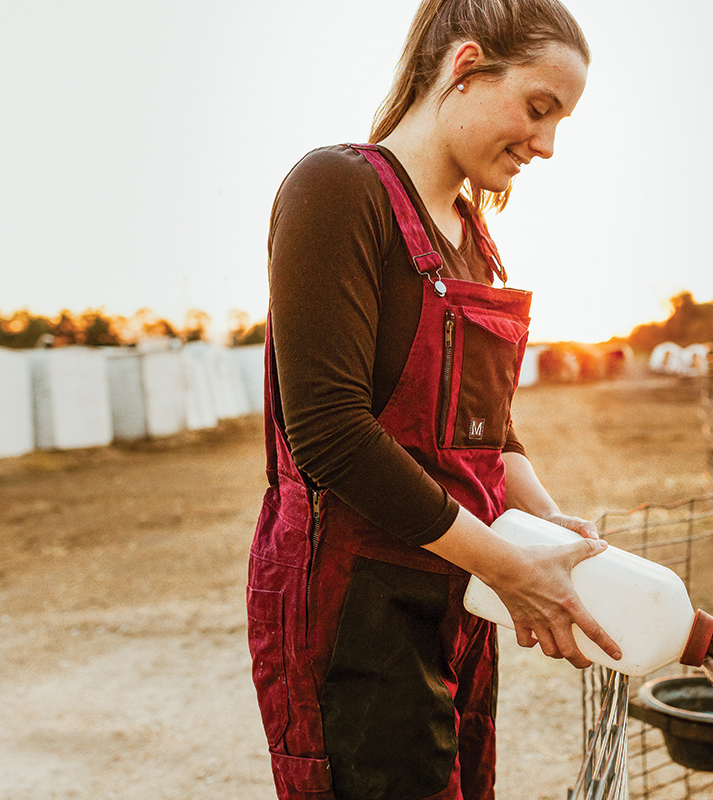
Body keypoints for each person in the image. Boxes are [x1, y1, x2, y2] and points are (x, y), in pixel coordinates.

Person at [245, 2, 619, 798]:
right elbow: (330, 432)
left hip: (456, 589)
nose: (546, 145)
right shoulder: (339, 189)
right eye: (538, 108)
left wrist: (546, 522)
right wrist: (509, 569)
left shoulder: (474, 237)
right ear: (465, 65)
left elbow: (489, 433)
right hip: (354, 606)